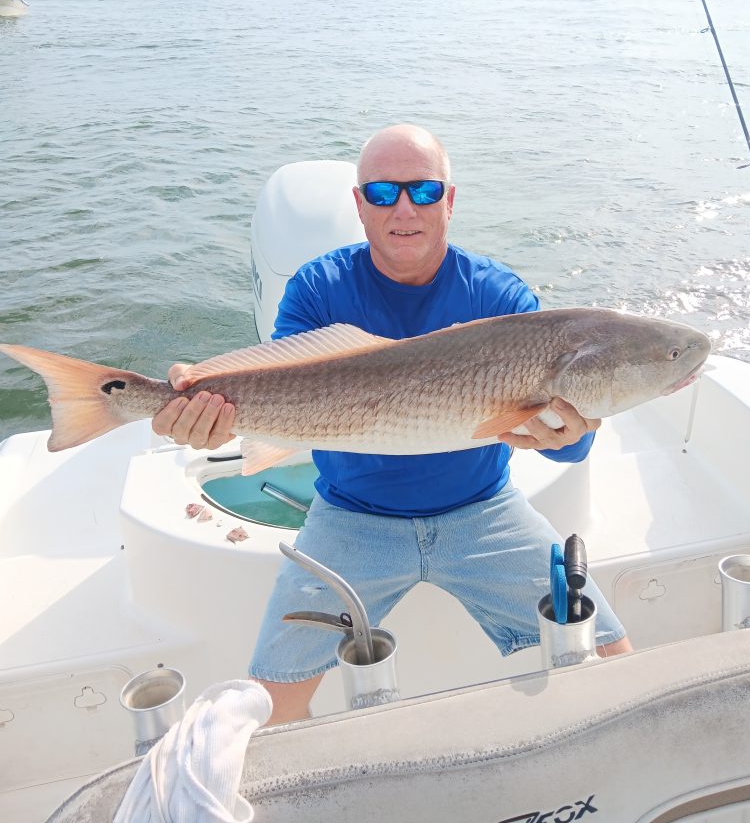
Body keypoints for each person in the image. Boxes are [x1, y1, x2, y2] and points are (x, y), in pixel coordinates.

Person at [152, 124, 631, 724]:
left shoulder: (500, 297)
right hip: (350, 518)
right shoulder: (319, 288)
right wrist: (205, 410)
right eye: (382, 192)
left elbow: (566, 453)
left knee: (615, 661)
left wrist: (572, 433)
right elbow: (269, 392)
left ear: (449, 201)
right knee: (267, 705)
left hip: (485, 512)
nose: (404, 208)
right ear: (358, 204)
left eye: (424, 191)